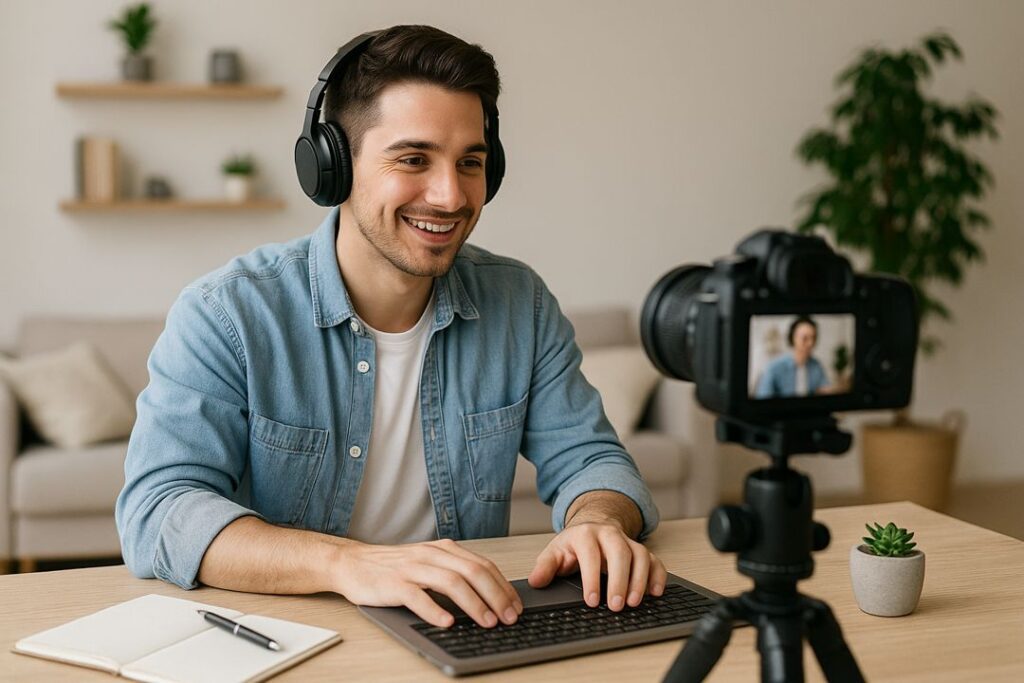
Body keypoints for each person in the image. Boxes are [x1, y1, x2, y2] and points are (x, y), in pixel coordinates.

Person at [116, 25, 666, 632]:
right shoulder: (228, 314)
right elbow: (158, 512)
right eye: (413, 159)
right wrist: (350, 564)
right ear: (333, 165)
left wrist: (598, 522)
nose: (450, 195)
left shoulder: (520, 303)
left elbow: (592, 459)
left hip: (464, 630)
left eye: (471, 162)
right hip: (286, 635)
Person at [754, 316, 830, 398]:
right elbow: (763, 399)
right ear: (793, 338)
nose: (810, 343)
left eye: (813, 338)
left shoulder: (817, 366)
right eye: (805, 338)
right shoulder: (774, 368)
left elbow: (825, 390)